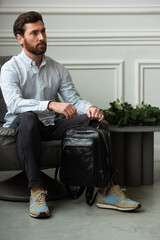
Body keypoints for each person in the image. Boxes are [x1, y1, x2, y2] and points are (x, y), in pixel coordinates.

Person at [0, 11, 141, 218]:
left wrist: (90, 108)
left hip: (50, 126)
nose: (42, 37)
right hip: (22, 127)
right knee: (29, 117)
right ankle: (37, 191)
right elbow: (13, 104)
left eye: (43, 31)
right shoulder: (10, 68)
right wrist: (50, 104)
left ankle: (107, 190)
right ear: (20, 39)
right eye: (34, 33)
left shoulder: (57, 68)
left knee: (94, 121)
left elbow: (74, 100)